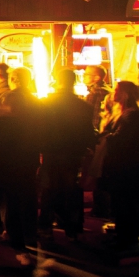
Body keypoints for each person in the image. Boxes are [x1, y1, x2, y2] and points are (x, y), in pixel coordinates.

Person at [0, 67, 41, 262]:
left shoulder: (6, 98)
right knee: (27, 193)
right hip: (29, 154)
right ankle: (30, 233)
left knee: (9, 196)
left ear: (14, 79)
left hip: (9, 155)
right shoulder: (37, 101)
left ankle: (13, 235)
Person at [39, 69, 96, 240]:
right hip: (73, 152)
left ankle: (46, 225)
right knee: (71, 189)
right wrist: (88, 147)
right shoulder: (83, 105)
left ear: (57, 80)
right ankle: (72, 226)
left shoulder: (47, 102)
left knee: (49, 188)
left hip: (52, 150)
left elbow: (41, 127)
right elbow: (87, 130)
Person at [100, 81, 139, 250]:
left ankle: (127, 238)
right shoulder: (125, 112)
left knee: (125, 200)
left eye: (116, 90)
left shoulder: (131, 114)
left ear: (125, 94)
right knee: (121, 200)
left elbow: (123, 138)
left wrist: (105, 137)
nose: (112, 92)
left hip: (126, 164)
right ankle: (124, 234)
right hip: (123, 163)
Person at [84, 65, 110, 130]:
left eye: (86, 74)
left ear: (96, 78)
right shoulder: (106, 89)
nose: (83, 76)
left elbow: (90, 115)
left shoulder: (96, 91)